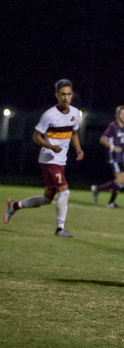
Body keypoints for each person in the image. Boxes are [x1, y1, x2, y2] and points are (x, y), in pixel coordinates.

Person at [4, 79, 85, 237]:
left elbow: (74, 133)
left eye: (69, 94)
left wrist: (79, 149)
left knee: (47, 199)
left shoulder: (75, 113)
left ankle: (14, 206)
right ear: (57, 95)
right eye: (63, 94)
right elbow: (36, 137)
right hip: (49, 160)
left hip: (61, 161)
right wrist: (51, 146)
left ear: (72, 95)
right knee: (65, 192)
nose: (66, 98)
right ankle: (59, 229)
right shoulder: (49, 115)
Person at [91, 105, 124, 208]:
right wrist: (113, 147)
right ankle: (109, 201)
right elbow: (103, 139)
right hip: (114, 157)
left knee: (122, 182)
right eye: (122, 113)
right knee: (120, 180)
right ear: (117, 115)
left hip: (121, 157)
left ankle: (98, 189)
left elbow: (122, 142)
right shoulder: (113, 126)